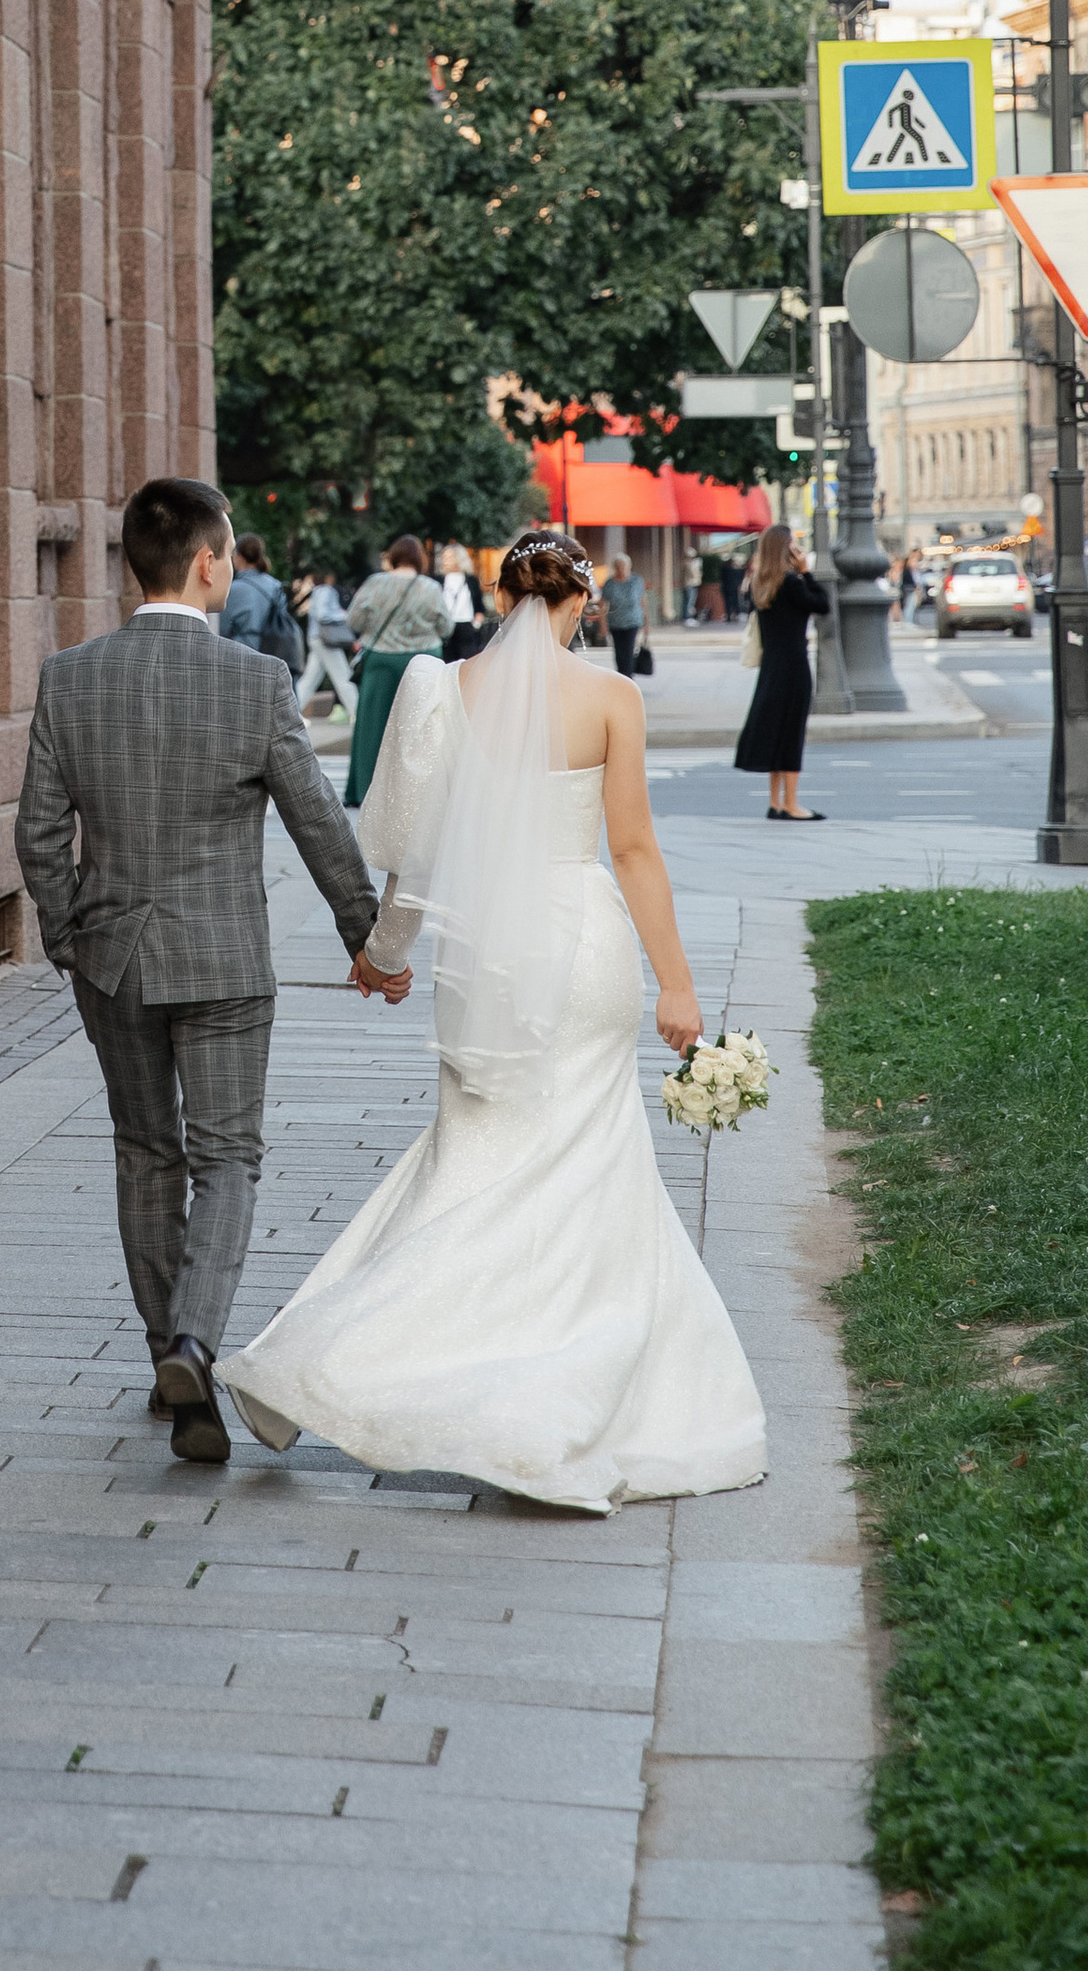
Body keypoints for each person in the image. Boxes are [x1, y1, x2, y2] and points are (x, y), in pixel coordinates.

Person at [219, 528, 767, 1508]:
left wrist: (382, 958)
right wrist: (676, 986)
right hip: (581, 945)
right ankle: (554, 1379)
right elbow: (634, 851)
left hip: (483, 955)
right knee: (586, 1154)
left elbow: (415, 857)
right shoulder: (611, 699)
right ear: (581, 605)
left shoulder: (443, 691)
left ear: (500, 592)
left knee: (470, 1154)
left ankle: (332, 1358)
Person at [14, 477, 413, 1470]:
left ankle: (165, 1365)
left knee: (145, 1153)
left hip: (112, 961)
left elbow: (36, 833)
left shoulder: (69, 677)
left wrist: (72, 937)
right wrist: (367, 938)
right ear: (205, 564)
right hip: (224, 957)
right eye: (226, 552)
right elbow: (316, 819)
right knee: (225, 1157)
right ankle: (196, 1340)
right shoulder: (255, 681)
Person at [341, 536, 453, 807]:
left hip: (382, 658)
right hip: (424, 658)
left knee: (372, 726)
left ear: (392, 556)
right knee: (421, 726)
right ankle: (419, 792)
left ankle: (364, 790)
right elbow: (446, 626)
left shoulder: (376, 583)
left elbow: (353, 619)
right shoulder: (430, 588)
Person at [733, 523, 830, 820]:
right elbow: (822, 604)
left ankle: (775, 801)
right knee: (791, 732)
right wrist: (806, 571)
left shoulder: (759, 583)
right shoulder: (791, 583)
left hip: (771, 669)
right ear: (786, 549)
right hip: (794, 666)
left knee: (776, 730)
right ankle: (791, 803)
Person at [218, 533, 304, 678]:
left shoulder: (233, 589)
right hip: (274, 654)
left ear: (238, 556)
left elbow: (222, 630)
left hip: (242, 657)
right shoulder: (275, 585)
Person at [299, 566, 358, 720]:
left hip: (316, 638)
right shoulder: (326, 590)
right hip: (326, 640)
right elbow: (323, 614)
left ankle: (291, 712)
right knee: (343, 676)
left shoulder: (317, 591)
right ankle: (357, 713)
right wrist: (344, 615)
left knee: (310, 680)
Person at [600, 555, 648, 678]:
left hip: (632, 621)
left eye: (623, 566)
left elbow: (643, 602)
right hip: (615, 622)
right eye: (618, 567)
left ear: (629, 567)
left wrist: (646, 623)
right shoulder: (609, 583)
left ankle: (628, 677)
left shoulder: (636, 581)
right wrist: (603, 625)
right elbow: (603, 605)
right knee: (618, 652)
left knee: (628, 650)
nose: (621, 569)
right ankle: (622, 675)